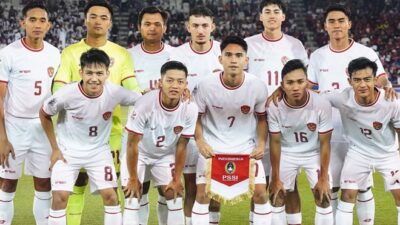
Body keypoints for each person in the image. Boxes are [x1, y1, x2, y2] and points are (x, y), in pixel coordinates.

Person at [52, 1, 141, 224]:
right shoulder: (70, 52)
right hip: (74, 131)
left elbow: (132, 87)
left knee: (111, 187)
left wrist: (150, 98)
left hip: (110, 131)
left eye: (103, 17)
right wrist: (76, 99)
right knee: (75, 184)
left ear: (110, 22)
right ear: (85, 20)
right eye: (93, 16)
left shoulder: (121, 54)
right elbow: (58, 87)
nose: (98, 21)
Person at [307, 4, 395, 224]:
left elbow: (381, 79)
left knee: (363, 187)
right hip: (331, 132)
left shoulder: (365, 53)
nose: (336, 25)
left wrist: (388, 85)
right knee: (334, 187)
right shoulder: (318, 56)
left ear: (349, 24)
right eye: (332, 21)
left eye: (341, 20)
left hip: (360, 131)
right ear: (325, 26)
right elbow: (309, 88)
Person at [191, 36, 270, 225]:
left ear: (246, 60)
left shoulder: (257, 86)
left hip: (245, 149)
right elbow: (196, 117)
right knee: (204, 196)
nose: (233, 59)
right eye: (228, 55)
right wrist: (200, 142)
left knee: (260, 193)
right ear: (220, 59)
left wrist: (260, 144)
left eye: (238, 55)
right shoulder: (206, 85)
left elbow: (262, 119)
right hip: (213, 149)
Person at [245, 1, 308, 223]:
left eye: (276, 12)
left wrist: (282, 91)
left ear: (283, 17)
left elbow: (304, 81)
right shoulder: (248, 45)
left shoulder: (295, 45)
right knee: (259, 179)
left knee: (288, 182)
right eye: (267, 12)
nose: (272, 15)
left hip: (289, 120)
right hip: (257, 122)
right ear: (260, 17)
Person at [0, 2, 60, 225]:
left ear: (49, 25)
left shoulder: (55, 54)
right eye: (32, 20)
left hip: (42, 127)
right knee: (7, 182)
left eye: (42, 20)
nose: (37, 25)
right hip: (14, 126)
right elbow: (0, 98)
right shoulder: (9, 54)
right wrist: (2, 137)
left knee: (44, 183)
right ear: (22, 23)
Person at [321, 57, 400, 224]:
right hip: (358, 153)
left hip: (387, 154)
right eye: (357, 80)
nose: (362, 84)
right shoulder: (343, 98)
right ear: (349, 81)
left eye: (367, 79)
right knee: (348, 194)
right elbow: (314, 95)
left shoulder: (391, 102)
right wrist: (281, 90)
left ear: (375, 80)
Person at [122, 61, 198, 225]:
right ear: (160, 83)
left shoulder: (190, 108)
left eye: (180, 81)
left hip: (164, 155)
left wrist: (177, 178)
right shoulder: (145, 104)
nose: (175, 85)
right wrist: (134, 178)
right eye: (169, 80)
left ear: (186, 84)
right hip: (139, 153)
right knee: (132, 197)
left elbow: (182, 146)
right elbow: (132, 145)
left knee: (175, 197)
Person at [170, 6, 223, 225]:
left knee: (215, 186)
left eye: (204, 25)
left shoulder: (222, 52)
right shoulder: (177, 54)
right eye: (195, 25)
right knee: (191, 185)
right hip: (187, 130)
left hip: (218, 129)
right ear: (188, 27)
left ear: (213, 27)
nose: (200, 30)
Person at [268, 59, 333, 225]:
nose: (296, 87)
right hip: (287, 152)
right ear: (281, 85)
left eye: (300, 81)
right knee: (277, 197)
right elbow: (275, 143)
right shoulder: (274, 106)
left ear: (307, 82)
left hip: (314, 153)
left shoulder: (321, 104)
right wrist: (275, 177)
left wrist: (324, 178)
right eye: (290, 83)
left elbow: (325, 143)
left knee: (324, 197)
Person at [126, 6, 173, 225]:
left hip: (169, 135)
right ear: (139, 27)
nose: (152, 28)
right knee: (138, 189)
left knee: (168, 191)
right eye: (147, 23)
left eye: (157, 24)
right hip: (138, 135)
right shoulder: (128, 57)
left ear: (165, 27)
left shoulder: (176, 54)